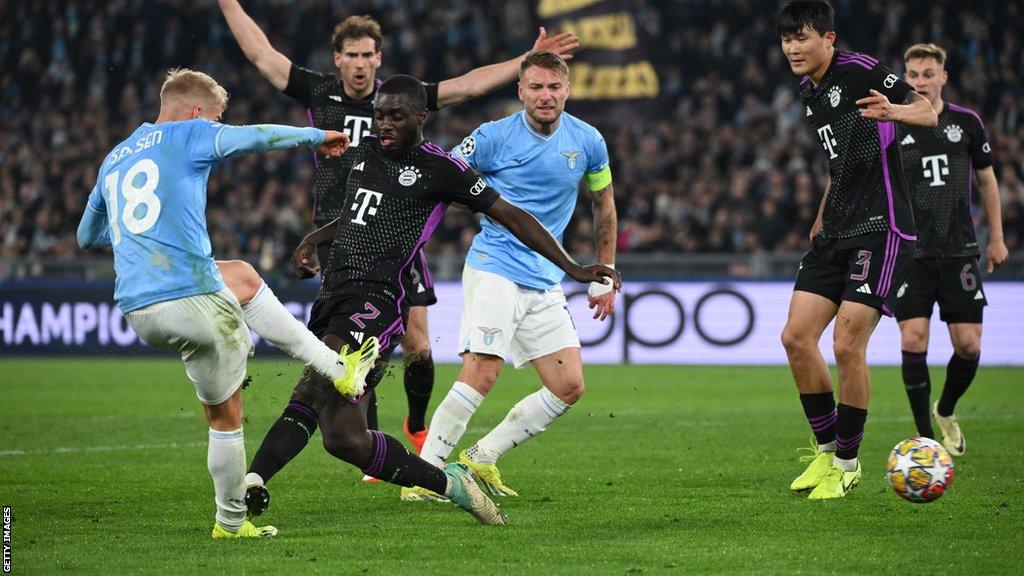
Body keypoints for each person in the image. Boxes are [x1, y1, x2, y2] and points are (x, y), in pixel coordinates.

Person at [217, 1, 579, 475]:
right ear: (338, 59)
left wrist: (524, 63)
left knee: (417, 342)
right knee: (353, 345)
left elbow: (467, 85)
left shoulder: (400, 99)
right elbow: (262, 54)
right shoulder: (319, 92)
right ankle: (367, 437)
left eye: (370, 55)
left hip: (400, 229)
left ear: (379, 59)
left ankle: (414, 423)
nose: (362, 63)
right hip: (343, 237)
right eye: (353, 55)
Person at [242, 74, 617, 525]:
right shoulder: (366, 153)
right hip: (335, 294)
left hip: (378, 302)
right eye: (380, 115)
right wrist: (314, 238)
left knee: (317, 383)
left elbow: (512, 215)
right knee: (344, 438)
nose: (385, 124)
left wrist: (573, 267)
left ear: (421, 118)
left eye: (396, 116)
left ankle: (253, 481)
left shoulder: (441, 169)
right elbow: (359, 215)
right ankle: (447, 483)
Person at [75, 69, 373, 537]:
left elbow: (86, 235)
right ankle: (231, 523)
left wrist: (136, 239)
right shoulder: (192, 132)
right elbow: (254, 137)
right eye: (215, 118)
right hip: (191, 301)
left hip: (138, 308)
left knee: (243, 277)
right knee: (227, 414)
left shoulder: (114, 157)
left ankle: (338, 369)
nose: (216, 127)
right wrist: (315, 135)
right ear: (197, 113)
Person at [408, 50, 619, 501]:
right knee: (483, 371)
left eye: (554, 87)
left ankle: (481, 457)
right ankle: (423, 476)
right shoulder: (492, 137)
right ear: (520, 91)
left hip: (546, 277)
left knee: (569, 386)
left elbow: (604, 205)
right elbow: (440, 176)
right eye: (536, 87)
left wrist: (607, 272)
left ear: (568, 89)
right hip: (495, 268)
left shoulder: (589, 141)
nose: (546, 96)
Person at [776, 0, 938, 499]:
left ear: (829, 38)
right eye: (786, 40)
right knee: (796, 339)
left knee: (847, 344)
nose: (793, 48)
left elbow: (927, 111)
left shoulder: (859, 69)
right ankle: (826, 454)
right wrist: (823, 214)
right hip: (838, 227)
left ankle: (848, 463)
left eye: (802, 37)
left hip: (881, 225)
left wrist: (894, 111)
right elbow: (840, 162)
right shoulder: (809, 90)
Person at [894, 43, 1009, 454]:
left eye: (928, 74)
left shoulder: (967, 123)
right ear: (904, 78)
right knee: (913, 339)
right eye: (913, 75)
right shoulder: (893, 123)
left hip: (959, 249)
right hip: (910, 253)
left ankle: (946, 407)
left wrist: (996, 238)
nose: (920, 82)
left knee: (969, 345)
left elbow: (988, 180)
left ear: (943, 77)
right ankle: (925, 438)